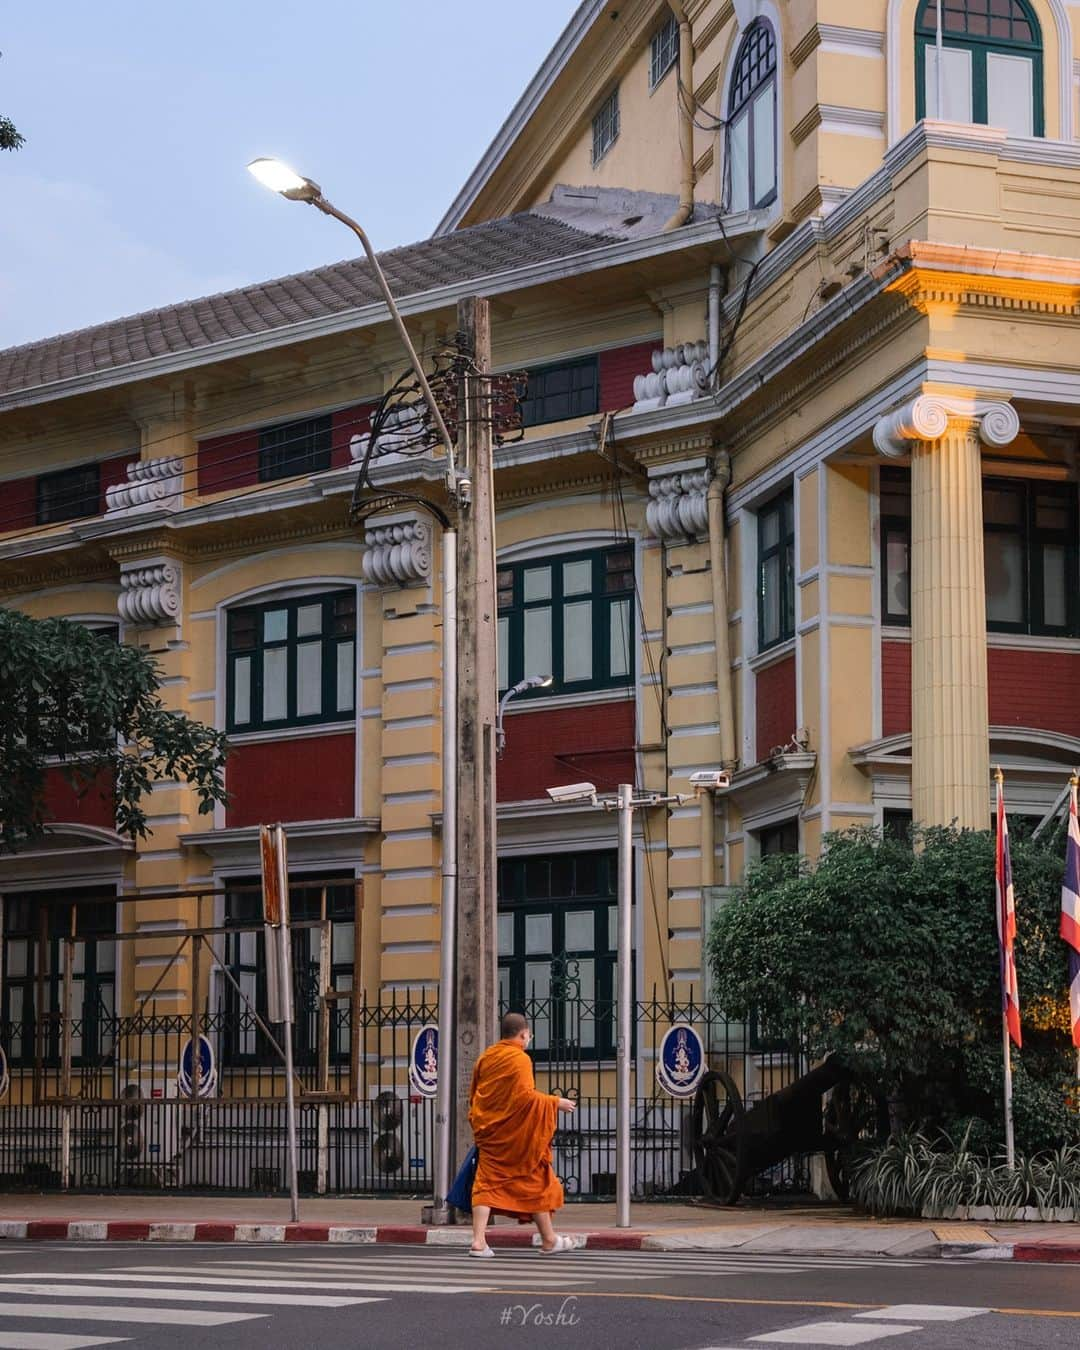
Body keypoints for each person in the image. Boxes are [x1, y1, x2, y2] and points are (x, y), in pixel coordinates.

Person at [467, 1011, 577, 1256]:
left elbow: (474, 1095)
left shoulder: (486, 1058)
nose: (528, 1040)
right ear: (524, 1034)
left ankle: (478, 1241)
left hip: (492, 1134)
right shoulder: (520, 1060)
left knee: (485, 1185)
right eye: (528, 1036)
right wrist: (555, 1102)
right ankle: (549, 1240)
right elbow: (525, 1097)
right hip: (517, 1138)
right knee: (536, 1181)